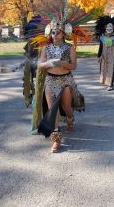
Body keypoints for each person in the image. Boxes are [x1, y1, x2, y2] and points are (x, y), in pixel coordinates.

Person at [33, 20, 85, 153]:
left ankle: (70, 119)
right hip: (50, 80)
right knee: (52, 110)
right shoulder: (46, 48)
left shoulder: (69, 48)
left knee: (66, 107)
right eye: (52, 32)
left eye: (57, 32)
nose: (54, 34)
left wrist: (62, 63)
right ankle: (56, 140)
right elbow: (39, 64)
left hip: (65, 80)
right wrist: (49, 63)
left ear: (63, 34)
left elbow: (73, 66)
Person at [95, 16, 114, 91]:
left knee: (111, 68)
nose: (109, 28)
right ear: (105, 28)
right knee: (106, 68)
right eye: (107, 26)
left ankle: (110, 84)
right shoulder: (102, 38)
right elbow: (101, 48)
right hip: (104, 56)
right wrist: (99, 56)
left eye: (111, 26)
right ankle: (112, 79)